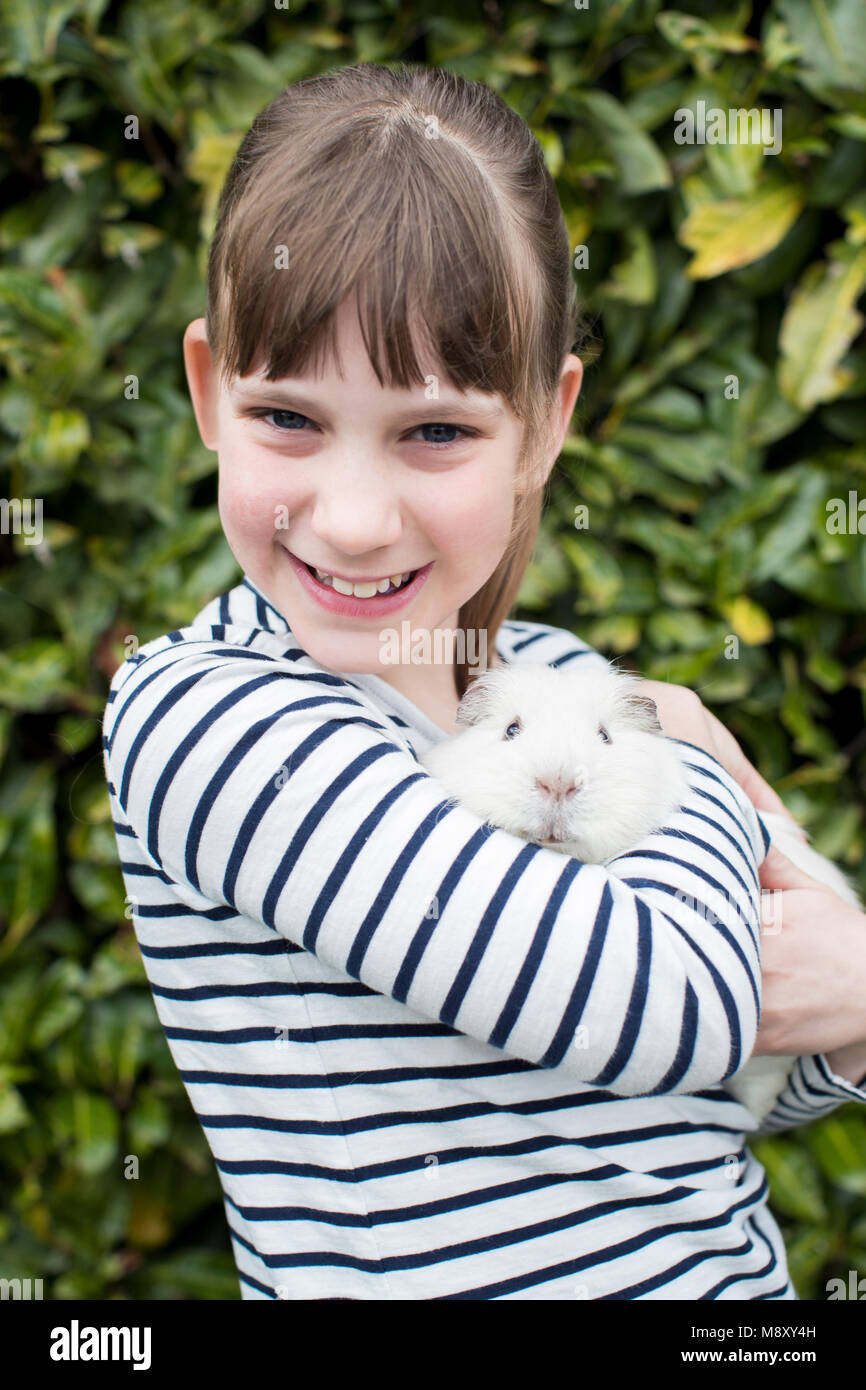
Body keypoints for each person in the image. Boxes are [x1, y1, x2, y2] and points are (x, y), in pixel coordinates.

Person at [102, 62, 866, 1301]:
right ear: (204, 391)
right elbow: (660, 1003)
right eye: (287, 418)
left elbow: (681, 1100)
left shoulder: (559, 679)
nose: (350, 521)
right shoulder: (204, 716)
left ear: (545, 424)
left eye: (435, 431)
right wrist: (683, 751)